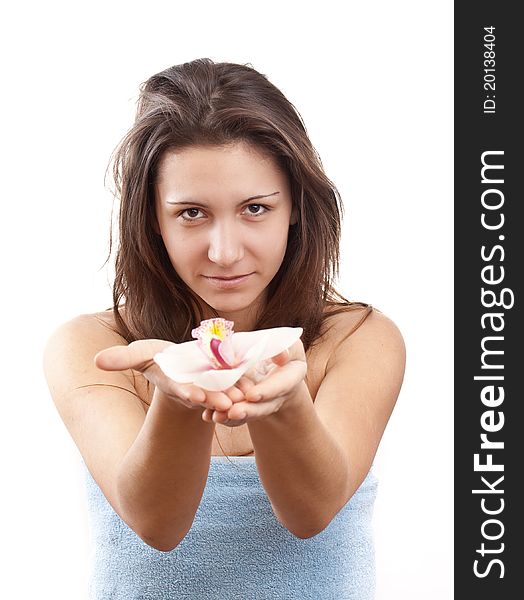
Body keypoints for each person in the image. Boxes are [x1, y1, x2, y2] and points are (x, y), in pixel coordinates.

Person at [44, 58, 406, 599]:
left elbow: (311, 513)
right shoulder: (93, 347)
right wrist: (178, 396)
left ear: (295, 209)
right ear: (152, 220)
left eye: (255, 208)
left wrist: (286, 405)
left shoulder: (357, 339)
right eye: (191, 213)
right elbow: (157, 526)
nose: (225, 251)